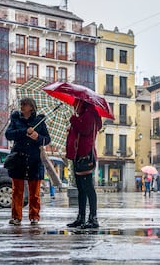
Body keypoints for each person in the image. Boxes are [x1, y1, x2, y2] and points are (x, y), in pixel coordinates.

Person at [5, 98, 51, 226]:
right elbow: (9, 134)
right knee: (17, 191)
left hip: (34, 160)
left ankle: (34, 216)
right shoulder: (15, 119)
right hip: (18, 159)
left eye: (24, 104)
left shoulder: (40, 121)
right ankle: (16, 216)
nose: (22, 106)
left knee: (34, 192)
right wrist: (24, 131)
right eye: (21, 104)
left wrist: (37, 137)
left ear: (31, 107)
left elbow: (47, 139)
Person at [66, 98, 102, 229]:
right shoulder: (82, 116)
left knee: (88, 188)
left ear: (82, 103)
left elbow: (85, 130)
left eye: (76, 103)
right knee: (81, 189)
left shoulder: (89, 115)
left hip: (85, 156)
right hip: (78, 156)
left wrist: (73, 120)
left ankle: (93, 218)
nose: (74, 106)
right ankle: (81, 217)